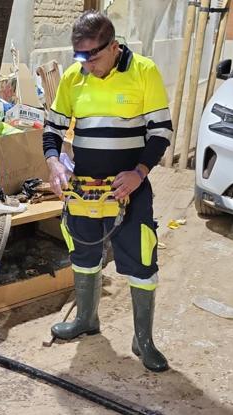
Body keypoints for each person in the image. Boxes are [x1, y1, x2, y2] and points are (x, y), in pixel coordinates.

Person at [43, 11, 173, 372]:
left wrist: (139, 172)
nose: (85, 65)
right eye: (78, 57)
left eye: (92, 56)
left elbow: (161, 132)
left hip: (129, 189)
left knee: (141, 261)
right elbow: (52, 129)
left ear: (114, 47)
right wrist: (54, 163)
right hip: (84, 189)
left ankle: (143, 339)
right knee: (83, 255)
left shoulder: (144, 72)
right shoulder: (74, 78)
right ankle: (86, 319)